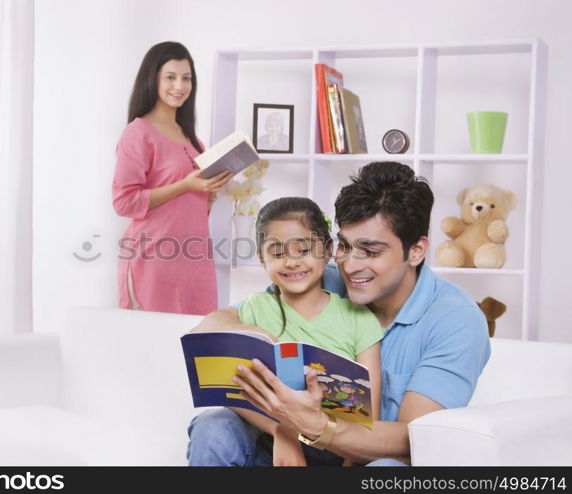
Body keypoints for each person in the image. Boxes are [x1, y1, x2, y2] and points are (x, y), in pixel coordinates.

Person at [187, 162, 491, 466]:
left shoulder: (457, 321)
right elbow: (211, 327)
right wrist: (255, 336)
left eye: (371, 251)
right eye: (345, 247)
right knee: (214, 425)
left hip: (369, 459)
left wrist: (311, 424)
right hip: (288, 450)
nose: (351, 265)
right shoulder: (321, 279)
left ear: (416, 251)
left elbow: (413, 441)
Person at [228, 197, 383, 466]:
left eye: (303, 250)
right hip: (273, 442)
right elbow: (232, 392)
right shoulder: (253, 310)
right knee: (211, 424)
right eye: (277, 253)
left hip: (336, 444)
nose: (291, 262)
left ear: (327, 250)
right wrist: (281, 431)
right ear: (262, 260)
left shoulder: (359, 318)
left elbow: (370, 417)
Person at [112, 42, 232, 315]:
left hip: (195, 258)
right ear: (152, 79)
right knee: (155, 343)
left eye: (186, 78)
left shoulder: (192, 138)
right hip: (155, 258)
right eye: (170, 77)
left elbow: (194, 207)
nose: (180, 85)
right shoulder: (138, 132)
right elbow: (124, 202)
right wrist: (185, 185)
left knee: (194, 344)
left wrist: (210, 190)